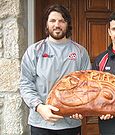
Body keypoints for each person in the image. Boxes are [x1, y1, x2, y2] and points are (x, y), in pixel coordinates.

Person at [19, 4, 91, 135]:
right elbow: (25, 84)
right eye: (52, 20)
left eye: (61, 21)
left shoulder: (80, 52)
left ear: (67, 24)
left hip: (70, 124)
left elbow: (87, 86)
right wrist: (39, 107)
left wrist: (81, 109)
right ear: (46, 24)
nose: (57, 25)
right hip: (40, 123)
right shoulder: (34, 51)